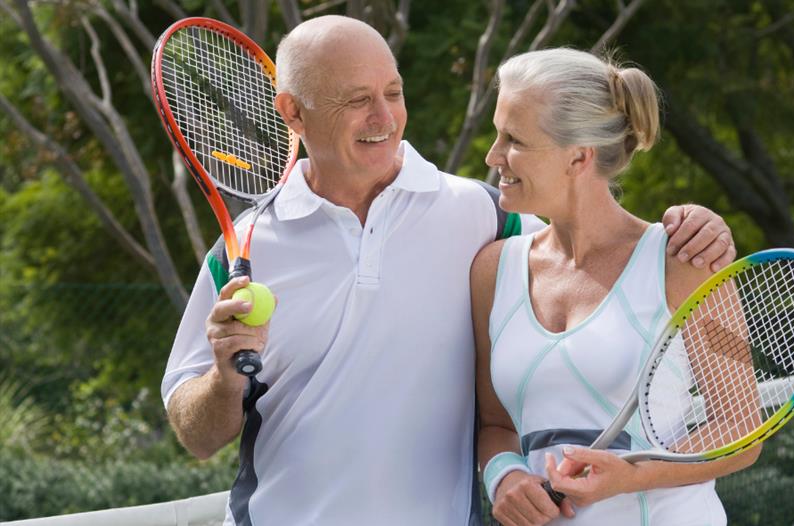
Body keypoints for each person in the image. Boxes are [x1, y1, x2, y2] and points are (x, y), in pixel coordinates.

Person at [162, 16, 736, 526]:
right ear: (292, 111)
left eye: (393, 92)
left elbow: (594, 233)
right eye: (356, 99)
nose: (383, 117)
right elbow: (197, 435)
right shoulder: (246, 246)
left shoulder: (482, 216)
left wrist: (700, 227)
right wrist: (224, 376)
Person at [471, 48, 760, 526]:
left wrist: (633, 474)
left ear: (579, 157)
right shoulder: (492, 271)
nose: (493, 155)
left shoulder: (684, 261)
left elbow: (743, 428)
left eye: (514, 139)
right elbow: (496, 424)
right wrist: (504, 477)